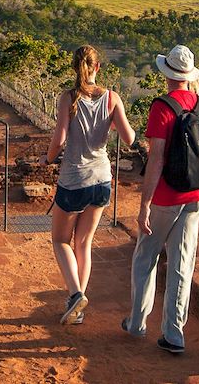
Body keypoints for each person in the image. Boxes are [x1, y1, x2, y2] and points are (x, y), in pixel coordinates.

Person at [124, 45, 199, 355]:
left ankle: (137, 322)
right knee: (182, 263)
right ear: (189, 76)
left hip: (166, 196)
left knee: (146, 257)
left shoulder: (163, 107)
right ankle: (174, 333)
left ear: (167, 75)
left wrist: (144, 204)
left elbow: (156, 159)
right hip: (196, 195)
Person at [47, 45, 135, 325]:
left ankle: (75, 295)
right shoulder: (112, 98)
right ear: (98, 68)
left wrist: (47, 159)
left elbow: (59, 140)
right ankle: (78, 308)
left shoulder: (68, 98)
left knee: (61, 241)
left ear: (75, 67)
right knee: (83, 243)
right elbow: (130, 138)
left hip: (74, 179)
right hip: (101, 179)